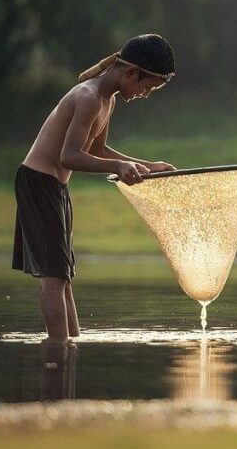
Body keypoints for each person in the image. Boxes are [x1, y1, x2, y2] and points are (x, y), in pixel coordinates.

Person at [13, 34, 177, 339]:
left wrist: (149, 165)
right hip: (38, 182)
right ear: (131, 72)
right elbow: (70, 155)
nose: (145, 93)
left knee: (64, 273)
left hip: (55, 187)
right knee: (54, 274)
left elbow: (98, 150)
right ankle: (58, 348)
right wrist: (117, 168)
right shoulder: (88, 97)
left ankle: (71, 342)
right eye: (146, 86)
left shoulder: (107, 100)